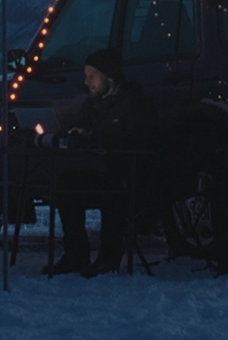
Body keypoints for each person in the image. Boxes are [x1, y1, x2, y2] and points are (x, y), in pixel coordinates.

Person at [44, 48, 154, 277]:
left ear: (108, 76)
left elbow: (140, 141)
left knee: (113, 191)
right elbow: (84, 128)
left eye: (91, 76)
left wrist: (104, 140)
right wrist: (79, 134)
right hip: (103, 170)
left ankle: (108, 257)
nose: (86, 82)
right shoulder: (93, 106)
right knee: (66, 184)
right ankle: (76, 254)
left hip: (131, 174)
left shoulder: (133, 103)